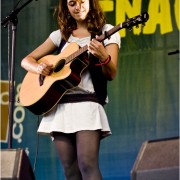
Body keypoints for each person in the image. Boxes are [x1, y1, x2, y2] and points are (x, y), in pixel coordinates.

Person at [21, 0, 120, 179]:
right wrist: (39, 68)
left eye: (82, 2)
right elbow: (26, 60)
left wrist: (104, 57)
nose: (77, 7)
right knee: (70, 170)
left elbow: (111, 73)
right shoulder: (60, 35)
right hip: (59, 106)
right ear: (66, 7)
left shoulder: (106, 31)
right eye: (72, 3)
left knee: (87, 164)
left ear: (91, 3)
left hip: (87, 105)